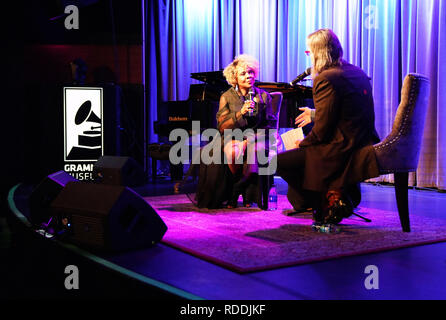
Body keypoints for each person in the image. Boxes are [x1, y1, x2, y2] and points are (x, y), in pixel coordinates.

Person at [275, 29, 380, 224]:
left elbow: (323, 128)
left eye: (308, 52)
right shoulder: (357, 72)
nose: (308, 56)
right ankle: (329, 197)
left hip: (340, 147)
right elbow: (346, 114)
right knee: (298, 156)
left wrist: (304, 143)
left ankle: (326, 199)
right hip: (362, 140)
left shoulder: (325, 78)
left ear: (317, 52)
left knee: (278, 162)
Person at [195, 54, 276, 209]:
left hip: (256, 136)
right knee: (232, 152)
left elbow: (270, 124)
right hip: (232, 135)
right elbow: (222, 125)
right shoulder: (226, 96)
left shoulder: (263, 96)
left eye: (251, 72)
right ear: (235, 77)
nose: (248, 76)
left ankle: (238, 192)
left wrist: (250, 140)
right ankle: (236, 191)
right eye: (243, 73)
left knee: (255, 151)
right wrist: (241, 114)